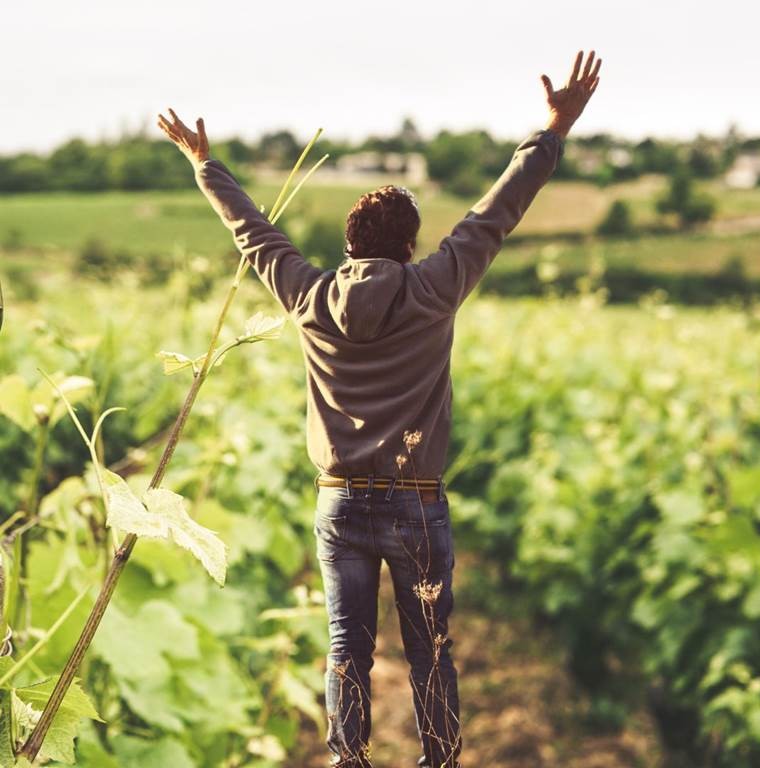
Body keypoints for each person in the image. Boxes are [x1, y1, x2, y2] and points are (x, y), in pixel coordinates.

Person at [158, 48, 601, 768]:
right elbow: (497, 212)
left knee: (346, 646)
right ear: (410, 245)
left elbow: (252, 231)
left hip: (338, 501)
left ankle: (348, 761)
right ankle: (439, 760)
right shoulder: (435, 287)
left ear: (349, 245)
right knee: (431, 649)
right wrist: (554, 129)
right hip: (415, 503)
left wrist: (205, 164)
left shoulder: (308, 295)